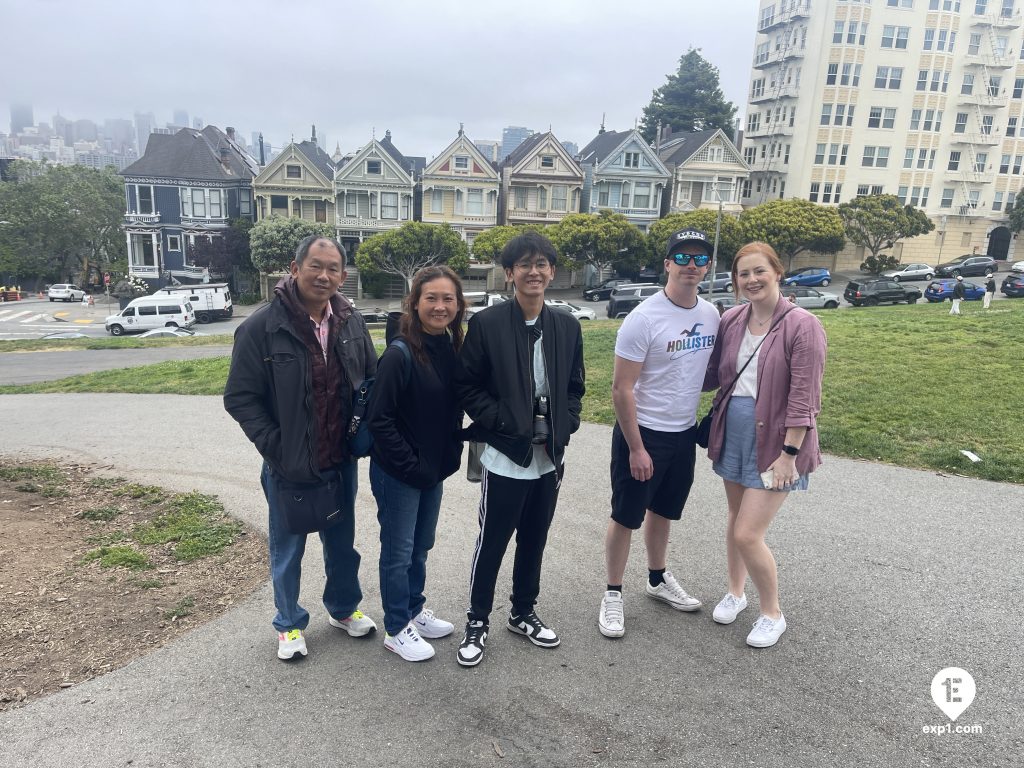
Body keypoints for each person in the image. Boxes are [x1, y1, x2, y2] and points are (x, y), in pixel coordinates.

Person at [224, 235, 379, 661]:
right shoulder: (262, 327)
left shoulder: (352, 322)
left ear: (343, 276)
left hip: (340, 459)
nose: (324, 275)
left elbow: (371, 380)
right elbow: (240, 397)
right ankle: (289, 623)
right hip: (288, 463)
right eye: (315, 266)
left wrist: (362, 433)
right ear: (294, 269)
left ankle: (343, 608)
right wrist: (276, 446)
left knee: (342, 543)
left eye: (333, 269)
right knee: (288, 547)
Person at [454, 231, 585, 667]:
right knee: (493, 540)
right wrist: (502, 421)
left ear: (551, 271)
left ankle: (522, 611)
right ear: (509, 274)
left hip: (550, 457)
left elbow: (574, 386)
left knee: (535, 539)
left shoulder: (566, 324)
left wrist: (568, 420)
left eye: (542, 263)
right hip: (506, 455)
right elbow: (467, 387)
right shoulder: (487, 325)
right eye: (524, 264)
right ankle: (477, 620)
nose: (535, 271)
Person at [598, 228, 721, 639]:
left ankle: (656, 579)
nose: (691, 265)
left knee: (664, 511)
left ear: (707, 267)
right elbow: (621, 388)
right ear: (667, 264)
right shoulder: (644, 318)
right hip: (643, 433)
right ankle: (613, 593)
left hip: (683, 433)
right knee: (626, 515)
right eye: (682, 258)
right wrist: (636, 448)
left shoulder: (711, 314)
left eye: (699, 259)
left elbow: (697, 373)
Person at [703, 242, 826, 649]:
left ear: (777, 273)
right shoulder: (733, 319)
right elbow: (713, 375)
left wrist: (790, 454)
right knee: (735, 517)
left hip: (777, 440)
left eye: (759, 271)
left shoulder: (802, 325)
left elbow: (804, 398)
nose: (751, 280)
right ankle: (735, 593)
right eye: (743, 274)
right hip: (733, 431)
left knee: (747, 534)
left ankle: (772, 612)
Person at [367, 266, 466, 662]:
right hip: (399, 473)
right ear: (415, 302)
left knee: (420, 546)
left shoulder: (451, 347)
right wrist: (411, 466)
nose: (440, 306)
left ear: (459, 305)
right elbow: (380, 420)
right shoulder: (400, 352)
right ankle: (396, 627)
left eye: (448, 299)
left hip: (432, 471)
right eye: (431, 298)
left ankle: (413, 608)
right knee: (398, 550)